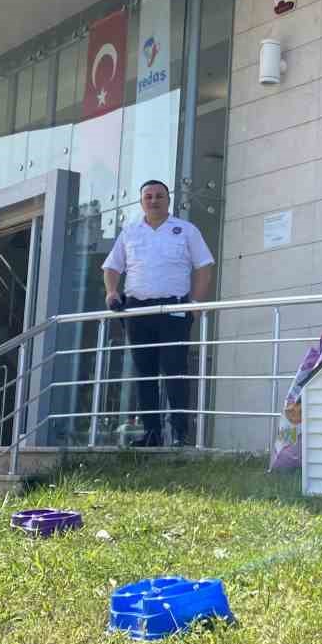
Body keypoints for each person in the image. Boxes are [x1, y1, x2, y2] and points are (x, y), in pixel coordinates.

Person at [102, 180, 214, 447]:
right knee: (145, 373)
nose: (154, 200)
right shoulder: (129, 232)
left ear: (168, 200)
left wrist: (194, 306)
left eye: (159, 196)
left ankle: (179, 434)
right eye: (148, 196)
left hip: (174, 309)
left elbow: (204, 267)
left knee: (175, 370)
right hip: (138, 311)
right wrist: (111, 291)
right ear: (141, 202)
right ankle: (152, 434)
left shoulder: (186, 230)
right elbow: (111, 267)